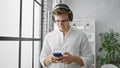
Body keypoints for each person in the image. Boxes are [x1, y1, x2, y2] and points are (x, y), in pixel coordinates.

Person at [40, 3, 93, 68]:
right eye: (57, 21)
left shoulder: (81, 35)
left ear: (70, 18)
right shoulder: (48, 37)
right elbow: (42, 60)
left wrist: (74, 59)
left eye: (63, 21)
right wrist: (50, 58)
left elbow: (90, 60)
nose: (60, 24)